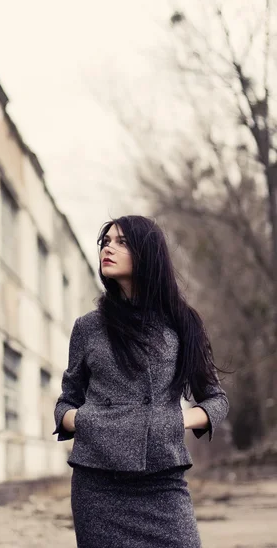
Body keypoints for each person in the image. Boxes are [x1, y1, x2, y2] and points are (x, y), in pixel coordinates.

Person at [52, 215, 230, 548]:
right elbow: (67, 400)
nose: (109, 247)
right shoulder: (88, 327)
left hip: (162, 480)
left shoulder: (182, 323)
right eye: (106, 241)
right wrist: (85, 420)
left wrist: (176, 419)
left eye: (121, 242)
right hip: (98, 482)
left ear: (147, 253)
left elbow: (216, 399)